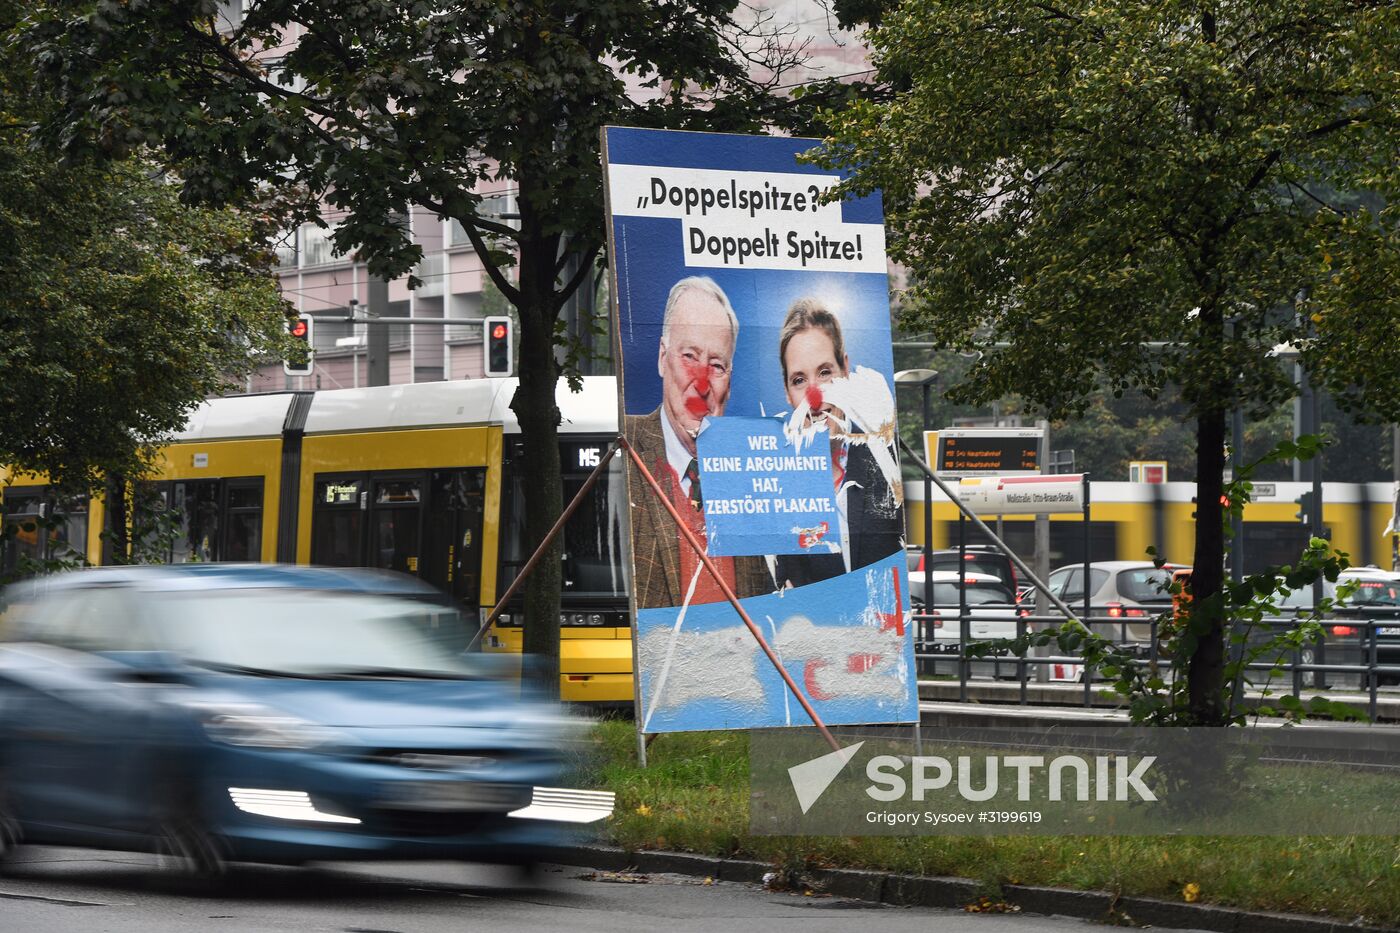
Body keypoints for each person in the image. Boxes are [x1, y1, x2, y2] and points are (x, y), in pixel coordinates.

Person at [624, 276, 772, 610]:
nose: (702, 382)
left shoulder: (753, 471)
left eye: (717, 365)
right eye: (690, 356)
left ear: (729, 384)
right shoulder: (622, 445)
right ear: (663, 358)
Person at [774, 298, 904, 589]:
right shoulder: (778, 485)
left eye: (824, 373)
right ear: (787, 392)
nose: (815, 399)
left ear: (845, 370)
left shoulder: (885, 459)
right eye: (798, 380)